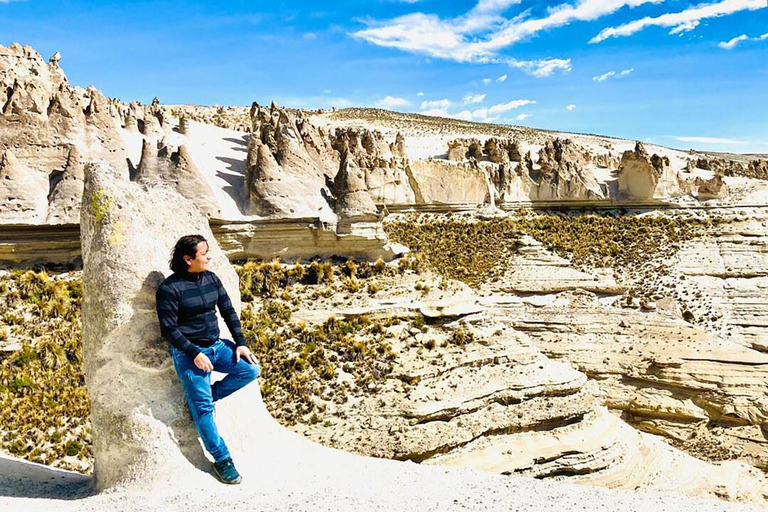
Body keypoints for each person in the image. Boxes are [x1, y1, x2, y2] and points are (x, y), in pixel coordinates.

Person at [155, 234, 260, 485]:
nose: (209, 257)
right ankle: (222, 460)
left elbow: (228, 311)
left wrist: (241, 343)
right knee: (203, 412)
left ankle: (207, 397)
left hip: (217, 347)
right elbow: (169, 330)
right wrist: (195, 354)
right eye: (204, 254)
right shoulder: (170, 289)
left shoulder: (211, 278)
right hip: (190, 354)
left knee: (250, 370)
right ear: (188, 259)